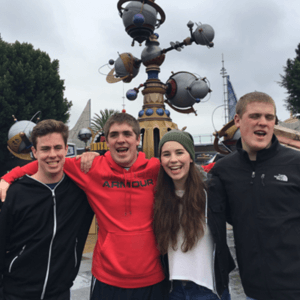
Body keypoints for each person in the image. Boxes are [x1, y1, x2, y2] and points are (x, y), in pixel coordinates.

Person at [0, 113, 166, 300]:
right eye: (114, 135)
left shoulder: (156, 169)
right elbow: (48, 162)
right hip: (106, 278)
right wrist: (8, 177)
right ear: (107, 141)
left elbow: (185, 171)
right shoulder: (91, 168)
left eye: (127, 134)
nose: (121, 140)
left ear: (137, 139)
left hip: (152, 277)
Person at [209, 91, 300, 300]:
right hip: (253, 291)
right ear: (238, 120)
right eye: (255, 116)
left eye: (269, 117)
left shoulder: (296, 164)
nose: (263, 122)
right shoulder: (223, 171)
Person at [0, 119, 94, 300]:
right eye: (45, 149)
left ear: (66, 149)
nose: (52, 154)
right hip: (16, 292)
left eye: (58, 148)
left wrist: (94, 156)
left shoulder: (79, 190)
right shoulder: (16, 192)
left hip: (59, 292)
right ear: (34, 152)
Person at [153, 129, 234, 300]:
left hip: (209, 290)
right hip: (172, 290)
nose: (173, 159)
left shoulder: (213, 189)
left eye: (179, 152)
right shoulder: (157, 195)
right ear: (161, 160)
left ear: (190, 156)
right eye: (166, 154)